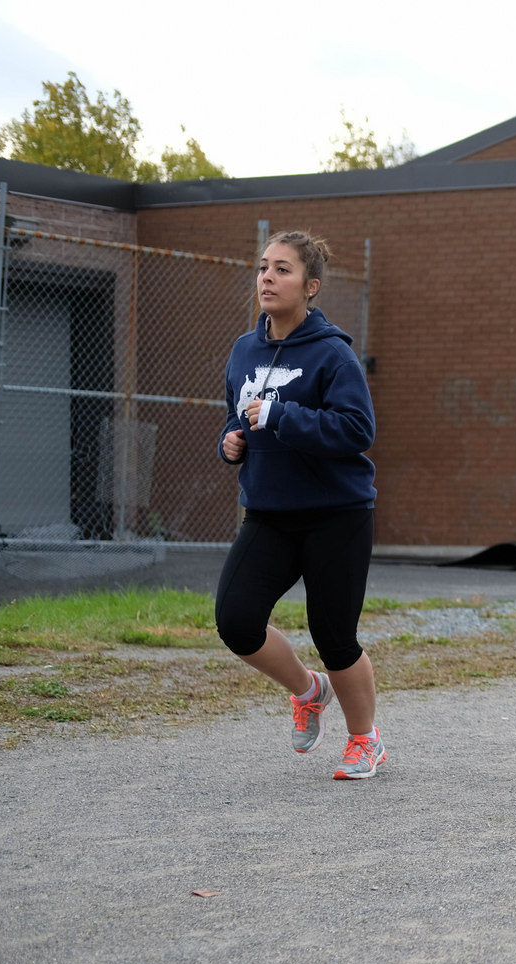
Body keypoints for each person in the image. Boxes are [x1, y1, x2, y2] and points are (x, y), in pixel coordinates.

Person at [215, 230, 385, 779]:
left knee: (335, 636)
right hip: (269, 512)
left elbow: (358, 429)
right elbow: (237, 418)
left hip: (337, 513)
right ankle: (309, 691)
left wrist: (282, 418)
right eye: (264, 267)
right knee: (236, 621)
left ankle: (365, 741)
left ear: (310, 287)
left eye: (283, 270)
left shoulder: (332, 353)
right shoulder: (244, 350)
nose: (268, 277)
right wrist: (230, 442)